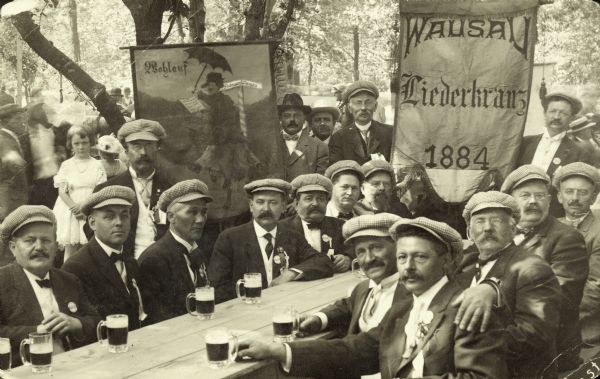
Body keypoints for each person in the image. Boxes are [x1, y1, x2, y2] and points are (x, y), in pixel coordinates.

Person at [237, 217, 508, 379]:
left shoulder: (469, 306)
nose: (408, 267)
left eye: (421, 257)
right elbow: (355, 351)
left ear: (446, 260)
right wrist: (277, 350)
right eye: (403, 257)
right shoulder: (403, 310)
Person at [458, 191, 561, 378]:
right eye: (480, 221)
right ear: (469, 231)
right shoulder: (463, 268)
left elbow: (534, 333)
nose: (487, 228)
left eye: (496, 220)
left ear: (513, 229)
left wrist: (465, 347)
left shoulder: (532, 268)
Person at [501, 164, 589, 372]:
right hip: (506, 345)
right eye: (525, 195)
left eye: (540, 196)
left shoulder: (566, 238)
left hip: (546, 353)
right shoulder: (501, 235)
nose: (533, 201)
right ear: (510, 202)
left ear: (549, 201)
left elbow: (557, 298)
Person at [0, 205, 100, 368]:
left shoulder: (69, 280)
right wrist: (37, 331)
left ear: (55, 246)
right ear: (13, 248)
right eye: (30, 241)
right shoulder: (2, 281)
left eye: (46, 240)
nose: (39, 247)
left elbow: (96, 321)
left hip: (77, 367)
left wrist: (75, 324)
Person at [207, 178, 334, 303]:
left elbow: (323, 261)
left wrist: (290, 274)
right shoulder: (230, 238)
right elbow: (217, 287)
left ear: (284, 206)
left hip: (285, 306)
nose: (266, 209)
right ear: (251, 206)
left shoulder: (292, 236)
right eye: (260, 202)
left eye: (273, 203)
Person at [299, 213, 406, 340]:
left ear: (399, 248)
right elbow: (347, 305)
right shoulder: (365, 287)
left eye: (376, 248)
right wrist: (319, 318)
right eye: (361, 251)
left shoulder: (412, 292)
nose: (369, 259)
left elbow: (365, 347)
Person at [62, 186, 147, 331]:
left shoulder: (129, 260)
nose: (119, 222)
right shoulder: (75, 267)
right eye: (109, 216)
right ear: (92, 223)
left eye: (124, 215)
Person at [93, 119, 171, 259]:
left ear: (158, 147)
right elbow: (92, 231)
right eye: (136, 146)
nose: (143, 152)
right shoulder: (108, 190)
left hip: (164, 267)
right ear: (126, 149)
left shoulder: (171, 188)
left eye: (149, 145)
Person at [138, 179, 213, 324]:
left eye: (203, 212)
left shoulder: (197, 252)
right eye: (192, 212)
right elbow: (156, 320)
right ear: (171, 217)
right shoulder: (153, 259)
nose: (200, 219)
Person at [552, 162, 600, 348]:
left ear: (594, 197)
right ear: (559, 196)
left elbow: (595, 287)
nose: (575, 198)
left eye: (583, 192)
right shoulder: (551, 226)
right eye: (569, 192)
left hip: (584, 329)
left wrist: (556, 322)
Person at [53, 125, 107, 262]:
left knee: (90, 246)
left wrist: (84, 206)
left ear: (91, 143)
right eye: (76, 144)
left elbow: (99, 189)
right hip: (71, 211)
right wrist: (74, 207)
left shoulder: (97, 165)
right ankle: (67, 278)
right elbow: (62, 191)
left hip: (90, 209)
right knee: (71, 248)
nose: (81, 147)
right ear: (70, 145)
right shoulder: (66, 165)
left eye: (84, 143)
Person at [280, 174, 351, 273]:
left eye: (321, 199)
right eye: (309, 198)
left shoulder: (340, 225)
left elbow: (355, 248)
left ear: (327, 202)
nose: (316, 203)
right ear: (296, 204)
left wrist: (347, 259)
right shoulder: (282, 228)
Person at [516, 92, 592, 176]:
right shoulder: (524, 143)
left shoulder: (578, 153)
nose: (556, 117)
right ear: (545, 114)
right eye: (552, 111)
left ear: (571, 118)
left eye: (563, 113)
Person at [329, 80, 393, 165]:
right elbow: (338, 171)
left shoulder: (390, 133)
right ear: (349, 108)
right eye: (358, 103)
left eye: (368, 102)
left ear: (375, 106)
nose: (363, 108)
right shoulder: (339, 138)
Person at [278, 93, 329, 181]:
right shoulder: (270, 145)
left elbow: (319, 182)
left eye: (297, 115)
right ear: (280, 118)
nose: (292, 120)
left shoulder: (319, 147)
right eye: (287, 116)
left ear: (304, 118)